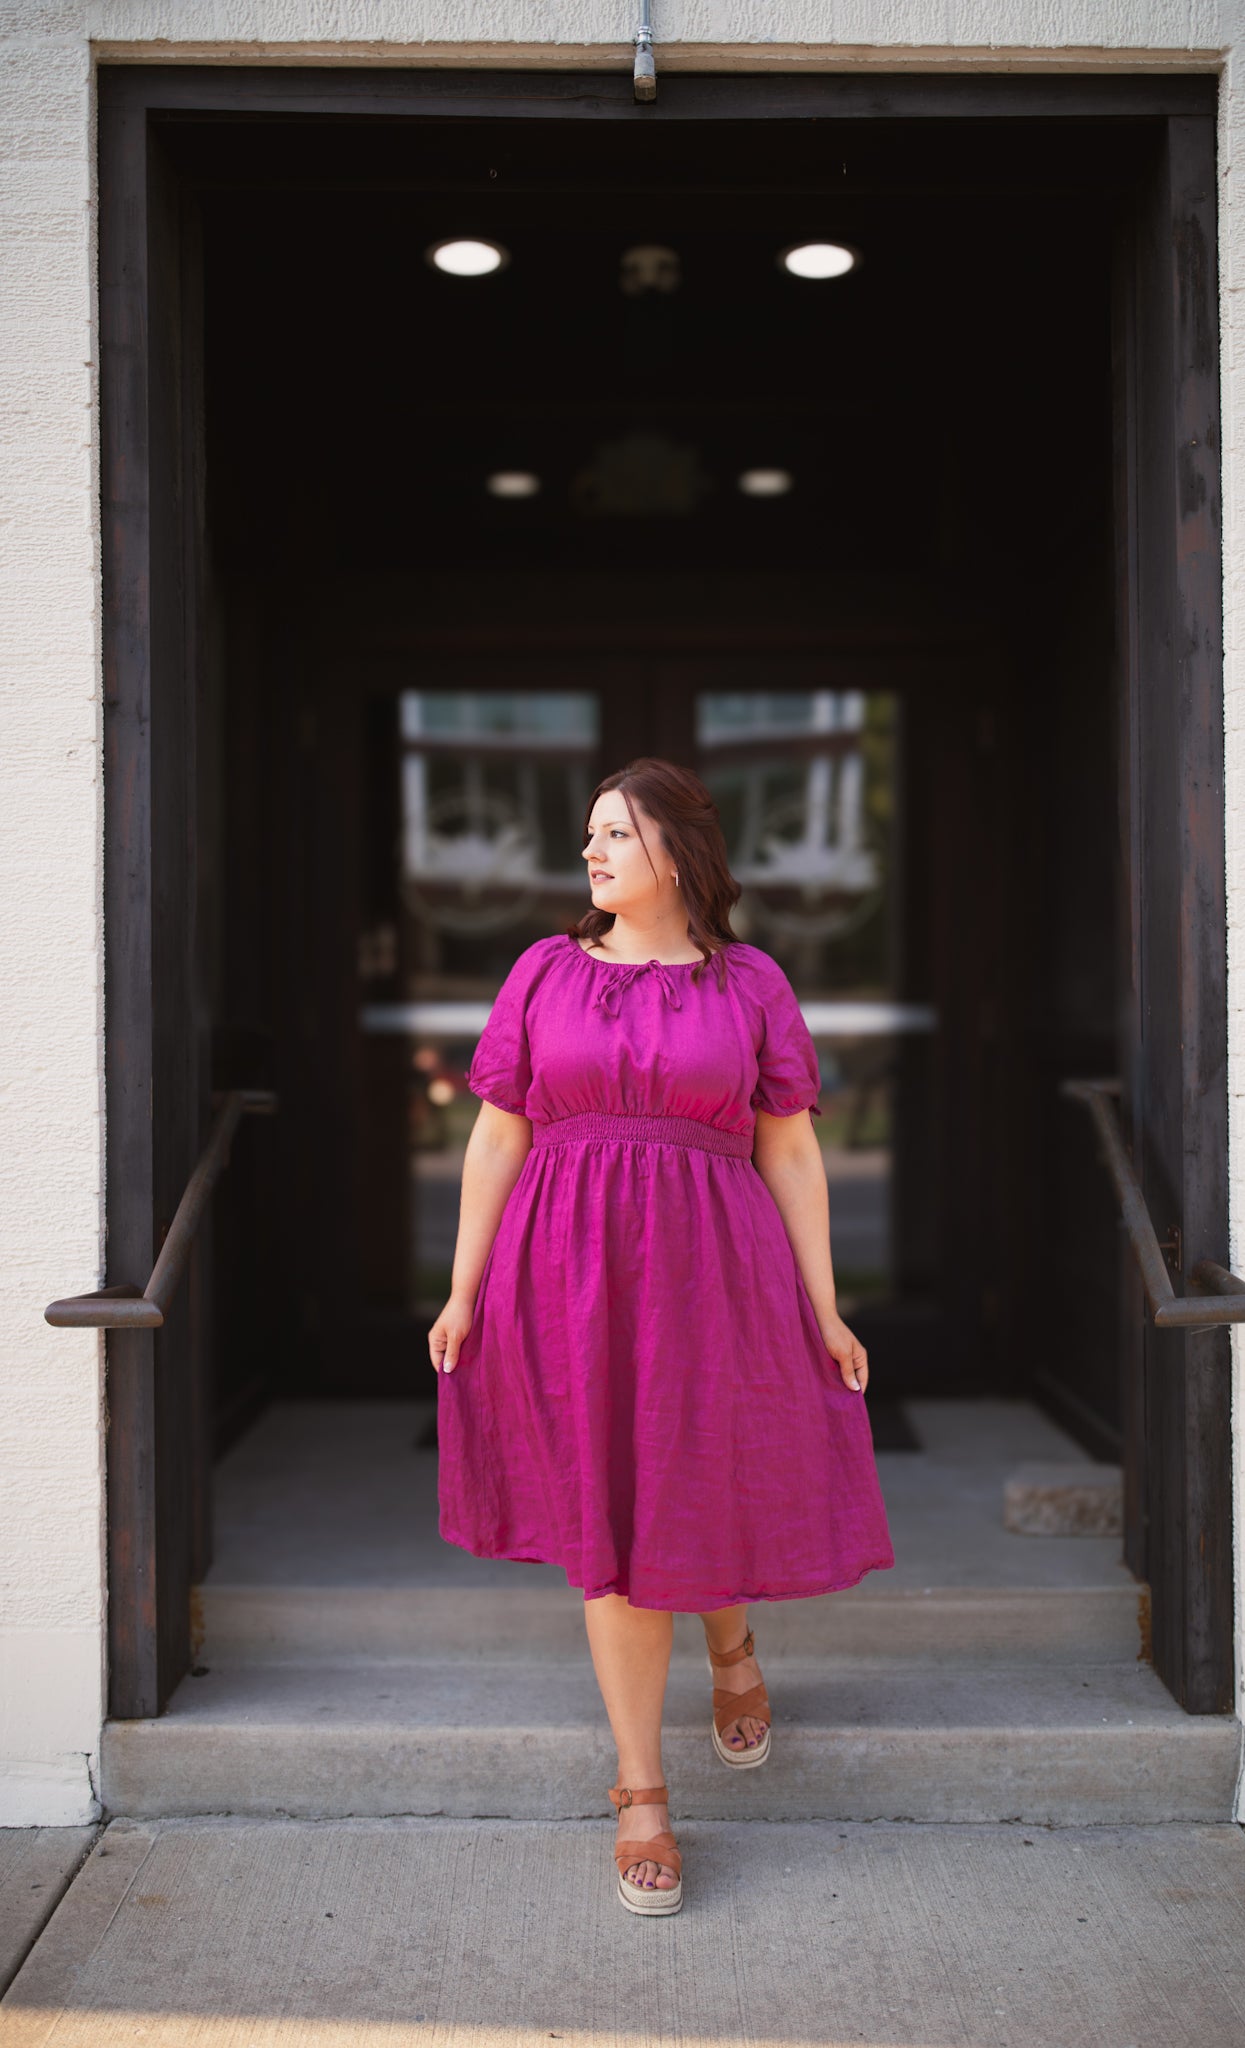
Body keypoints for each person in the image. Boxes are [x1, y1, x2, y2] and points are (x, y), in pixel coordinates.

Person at [429, 757, 894, 1917]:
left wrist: (824, 1301)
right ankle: (640, 1788)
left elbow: (787, 1148)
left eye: (613, 835)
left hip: (718, 1269)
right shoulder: (541, 970)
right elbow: (495, 1138)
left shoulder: (750, 985)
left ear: (676, 854)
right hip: (569, 1272)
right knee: (613, 1514)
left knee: (702, 1479)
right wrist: (462, 1287)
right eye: (586, 835)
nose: (590, 854)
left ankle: (730, 1650)